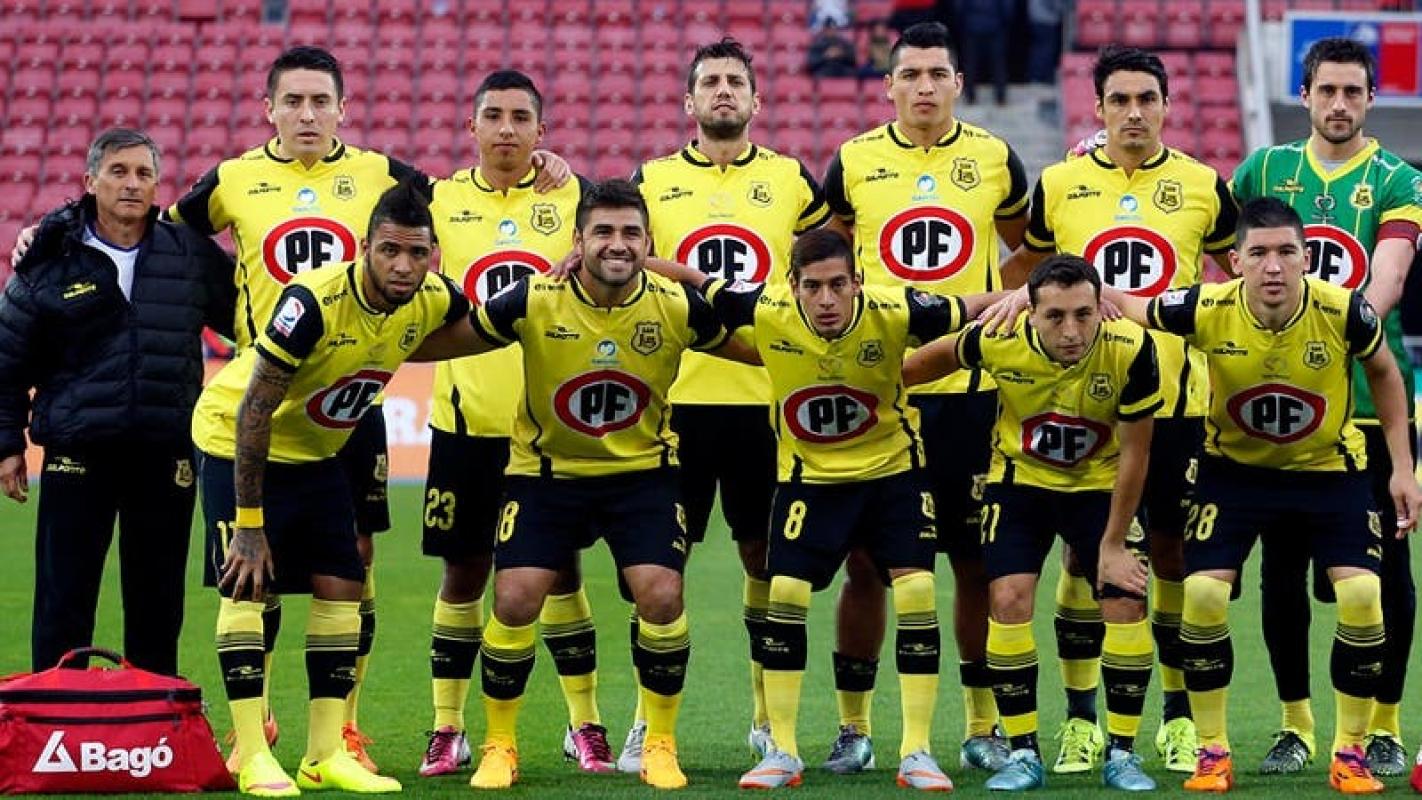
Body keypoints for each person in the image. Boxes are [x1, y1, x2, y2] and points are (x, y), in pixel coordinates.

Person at [409, 179, 751, 791]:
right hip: (547, 476)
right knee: (515, 599)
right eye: (603, 232)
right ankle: (499, 745)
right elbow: (451, 340)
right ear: (578, 240)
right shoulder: (534, 299)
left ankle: (660, 744)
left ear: (648, 243)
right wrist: (371, 345)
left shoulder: (676, 306)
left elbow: (755, 349)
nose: (617, 244)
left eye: (630, 234)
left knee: (661, 595)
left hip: (642, 475)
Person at [649, 229, 1005, 791]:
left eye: (838, 285)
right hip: (809, 481)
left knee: (916, 589)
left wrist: (1025, 294)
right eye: (813, 287)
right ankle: (783, 751)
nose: (827, 299)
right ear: (791, 286)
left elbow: (969, 306)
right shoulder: (765, 309)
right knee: (784, 591)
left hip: (892, 475)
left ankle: (916, 751)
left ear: (857, 282)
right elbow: (696, 279)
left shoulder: (895, 309)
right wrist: (630, 258)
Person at [1102, 196, 1420, 794]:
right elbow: (1133, 305)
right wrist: (1069, 287)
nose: (1273, 266)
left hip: (1330, 469)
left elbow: (1384, 372)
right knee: (1201, 595)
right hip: (1235, 472)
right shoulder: (1205, 307)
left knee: (1362, 595)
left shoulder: (1345, 311)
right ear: (1236, 261)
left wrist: (1403, 467)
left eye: (1285, 253)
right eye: (1259, 254)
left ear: (1306, 258)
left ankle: (1349, 752)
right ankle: (1212, 753)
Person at [998, 44, 1238, 775]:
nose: (1134, 112)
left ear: (1167, 106)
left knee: (1169, 554)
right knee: (1084, 555)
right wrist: (1003, 300)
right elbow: (1028, 269)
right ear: (1097, 108)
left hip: (1179, 402)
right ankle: (1080, 722)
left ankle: (1176, 716)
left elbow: (1234, 276)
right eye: (1120, 100)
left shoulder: (1203, 185)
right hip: (1090, 405)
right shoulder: (1059, 183)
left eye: (1147, 99)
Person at [192, 180, 466, 796]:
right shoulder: (312, 301)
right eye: (390, 250)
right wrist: (251, 526)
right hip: (234, 438)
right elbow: (254, 410)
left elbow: (484, 326)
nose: (403, 265)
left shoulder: (432, 296)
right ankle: (251, 753)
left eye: (417, 253)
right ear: (364, 248)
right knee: (247, 582)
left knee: (344, 581)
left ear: (432, 255)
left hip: (316, 449)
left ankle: (323, 754)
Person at [821, 19, 1030, 773]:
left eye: (937, 73)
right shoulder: (853, 161)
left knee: (974, 563)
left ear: (958, 84)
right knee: (867, 565)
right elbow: (829, 254)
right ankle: (853, 727)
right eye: (910, 74)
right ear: (888, 85)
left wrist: (996, 300)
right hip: (884, 390)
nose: (924, 87)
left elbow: (1028, 247)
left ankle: (981, 727)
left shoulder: (995, 157)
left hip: (970, 392)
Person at [629, 36, 830, 770]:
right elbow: (623, 253)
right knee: (661, 568)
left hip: (764, 400)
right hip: (674, 400)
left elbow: (826, 268)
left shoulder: (792, 180)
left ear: (756, 100)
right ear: (689, 100)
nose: (723, 91)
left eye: (735, 82)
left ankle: (765, 718)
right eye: (710, 81)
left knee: (764, 557)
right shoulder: (651, 179)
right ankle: (647, 723)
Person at [1231, 36, 1422, 777]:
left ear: (1371, 99)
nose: (1340, 104)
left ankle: (1385, 726)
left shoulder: (1398, 179)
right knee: (1281, 572)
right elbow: (1231, 258)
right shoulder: (1262, 170)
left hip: (1368, 404)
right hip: (1278, 406)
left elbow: (1390, 275)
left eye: (1353, 92)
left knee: (1386, 574)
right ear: (1305, 95)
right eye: (1327, 91)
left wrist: (1335, 330)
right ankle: (1294, 725)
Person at [418, 69, 608, 779]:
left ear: (541, 130)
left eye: (520, 117)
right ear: (471, 126)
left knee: (561, 570)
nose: (505, 128)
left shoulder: (575, 197)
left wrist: (573, 175)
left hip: (551, 430)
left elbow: (625, 234)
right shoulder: (439, 199)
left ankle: (584, 723)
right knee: (463, 571)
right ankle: (447, 728)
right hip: (465, 424)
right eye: (493, 115)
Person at [910, 255, 1161, 791]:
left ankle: (1122, 753)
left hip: (1100, 485)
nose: (1071, 331)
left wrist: (1114, 544)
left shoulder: (1132, 349)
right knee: (1007, 598)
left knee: (1124, 600)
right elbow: (926, 363)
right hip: (1020, 483)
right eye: (1055, 317)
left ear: (1101, 308)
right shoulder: (998, 337)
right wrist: (877, 391)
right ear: (1031, 312)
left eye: (1083, 315)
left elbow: (1137, 453)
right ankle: (1023, 753)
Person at [0, 128, 235, 676]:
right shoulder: (50, 256)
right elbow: (8, 359)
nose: (132, 184)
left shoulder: (189, 254)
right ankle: (55, 713)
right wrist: (7, 443)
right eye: (118, 172)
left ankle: (150, 713)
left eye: (144, 174)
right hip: (77, 453)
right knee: (63, 599)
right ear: (91, 181)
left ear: (157, 186)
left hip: (165, 453)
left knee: (158, 602)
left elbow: (249, 321)